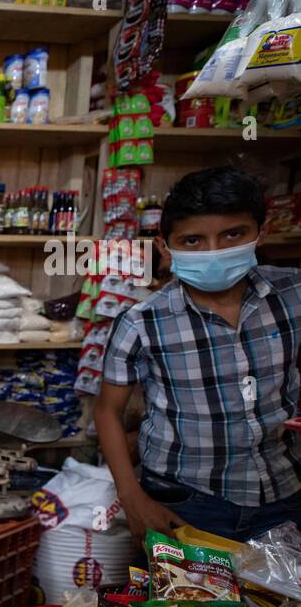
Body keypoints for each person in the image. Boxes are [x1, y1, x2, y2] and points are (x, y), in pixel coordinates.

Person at [95, 165, 301, 543]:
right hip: (184, 502)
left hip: (284, 493)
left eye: (232, 235)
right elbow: (108, 410)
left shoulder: (293, 294)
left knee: (281, 603)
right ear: (165, 247)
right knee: (188, 603)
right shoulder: (142, 321)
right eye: (192, 241)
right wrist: (131, 495)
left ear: (261, 232)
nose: (214, 253)